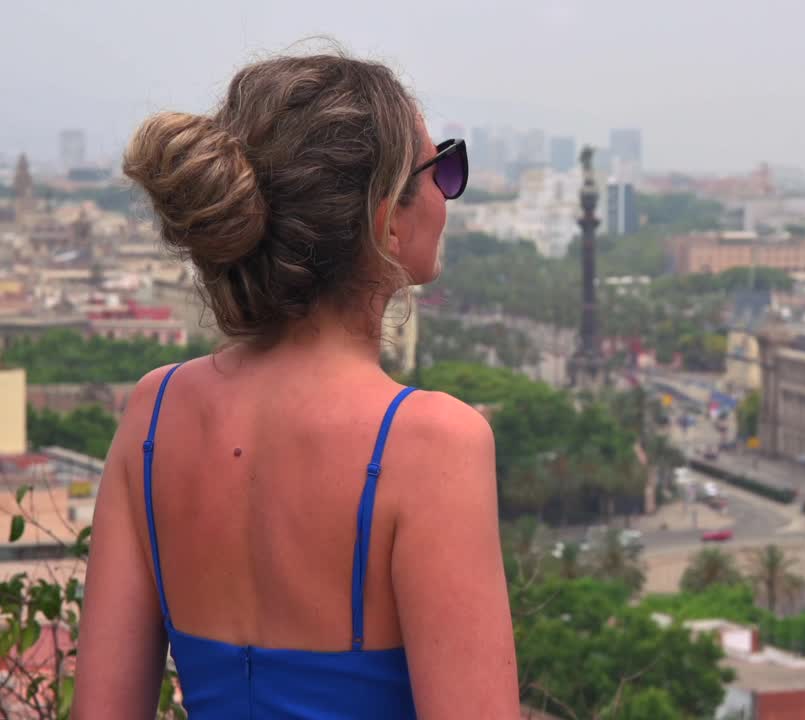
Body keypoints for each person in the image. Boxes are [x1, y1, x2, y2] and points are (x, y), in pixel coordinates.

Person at [72, 53, 519, 719]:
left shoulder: (154, 415)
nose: (447, 195)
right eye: (441, 171)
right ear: (384, 219)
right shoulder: (429, 445)